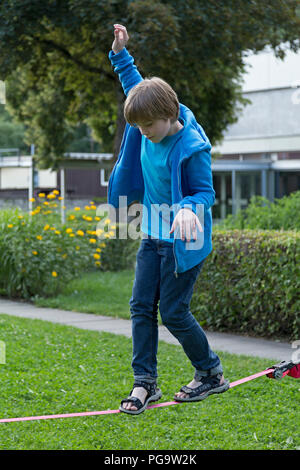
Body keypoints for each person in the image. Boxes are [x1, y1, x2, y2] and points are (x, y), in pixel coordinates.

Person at [108, 24, 229, 415]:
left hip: (184, 236)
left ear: (168, 114)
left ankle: (210, 373)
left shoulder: (193, 147)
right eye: (138, 127)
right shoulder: (147, 118)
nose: (142, 133)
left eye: (147, 127)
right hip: (152, 231)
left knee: (174, 312)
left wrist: (189, 211)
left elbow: (205, 193)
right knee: (141, 306)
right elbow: (134, 84)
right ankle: (145, 383)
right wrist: (120, 52)